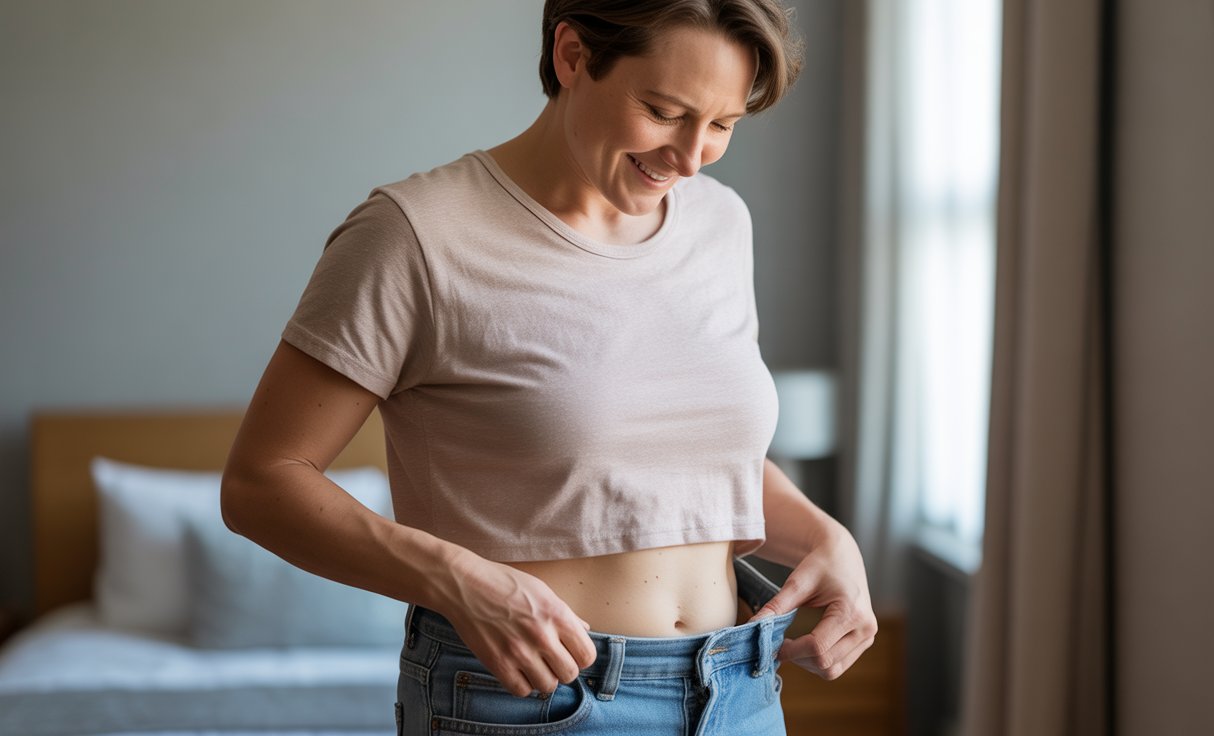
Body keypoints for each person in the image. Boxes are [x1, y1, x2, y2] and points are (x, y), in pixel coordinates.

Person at [221, 1, 877, 734]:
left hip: (739, 689)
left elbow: (687, 460)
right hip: (533, 700)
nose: (691, 157)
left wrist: (827, 537)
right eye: (664, 111)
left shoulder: (720, 222)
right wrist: (456, 581)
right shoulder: (416, 236)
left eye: (722, 125)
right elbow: (260, 484)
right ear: (571, 56)